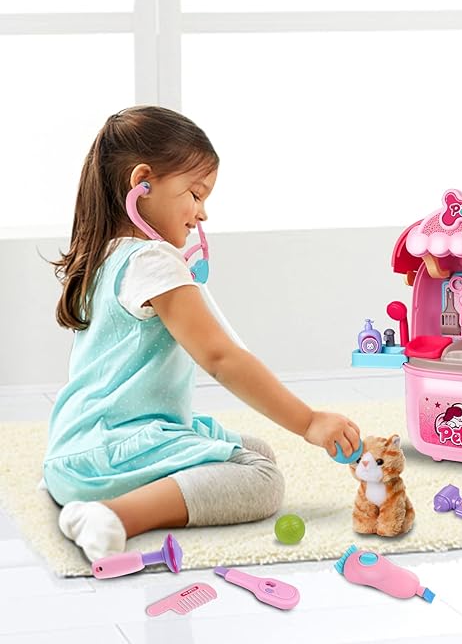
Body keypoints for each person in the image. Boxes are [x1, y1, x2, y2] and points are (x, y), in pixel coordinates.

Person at [45, 105, 361, 561]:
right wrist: (309, 421)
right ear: (142, 183)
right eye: (195, 194)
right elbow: (220, 358)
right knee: (261, 478)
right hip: (110, 452)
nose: (203, 213)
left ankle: (99, 496)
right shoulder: (152, 261)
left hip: (77, 451)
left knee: (254, 449)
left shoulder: (105, 256)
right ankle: (112, 515)